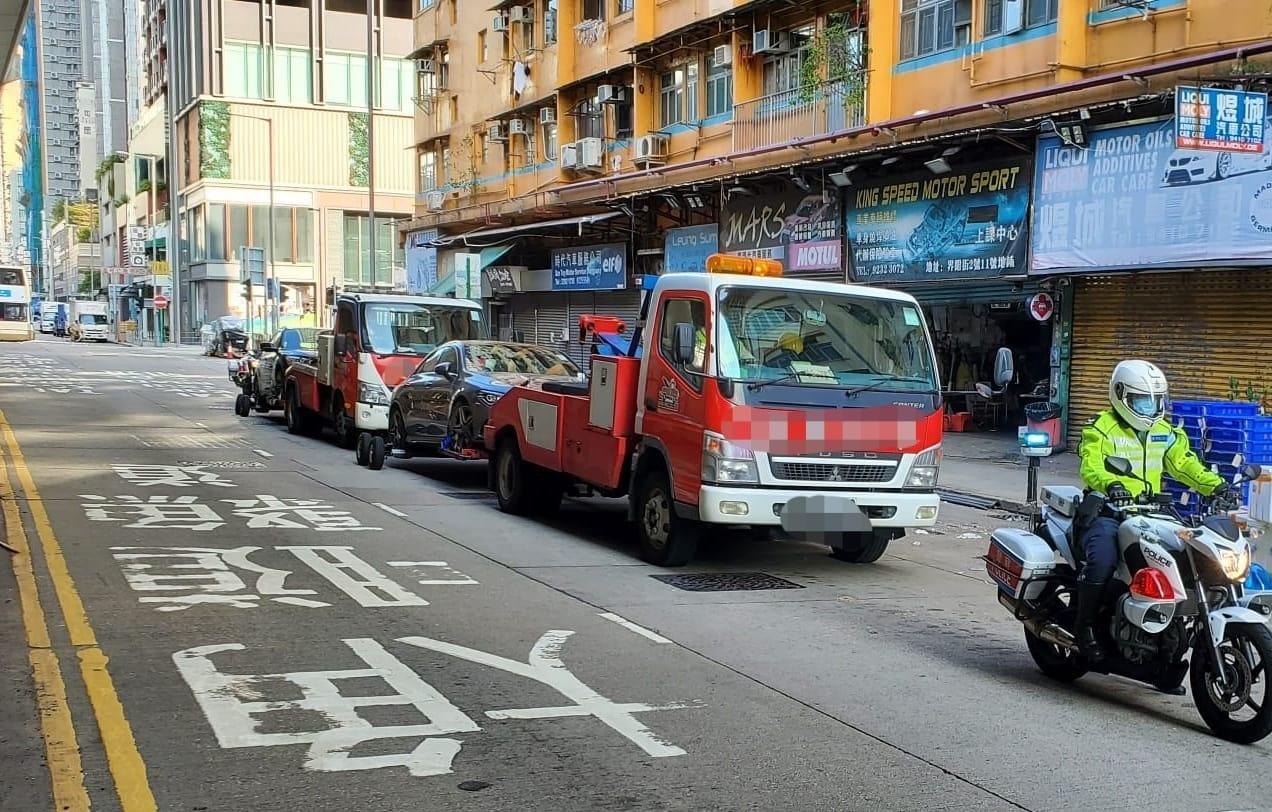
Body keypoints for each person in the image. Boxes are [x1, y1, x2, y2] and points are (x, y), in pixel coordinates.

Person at [1075, 360, 1226, 660]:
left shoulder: (1164, 431)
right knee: (1103, 561)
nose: (1151, 408)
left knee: (1186, 554)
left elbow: (1185, 465)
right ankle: (1085, 626)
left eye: (1156, 401)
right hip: (1109, 511)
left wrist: (1217, 486)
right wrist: (1111, 484)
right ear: (1121, 395)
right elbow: (1090, 466)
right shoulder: (1101, 429)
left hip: (1150, 513)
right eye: (1143, 400)